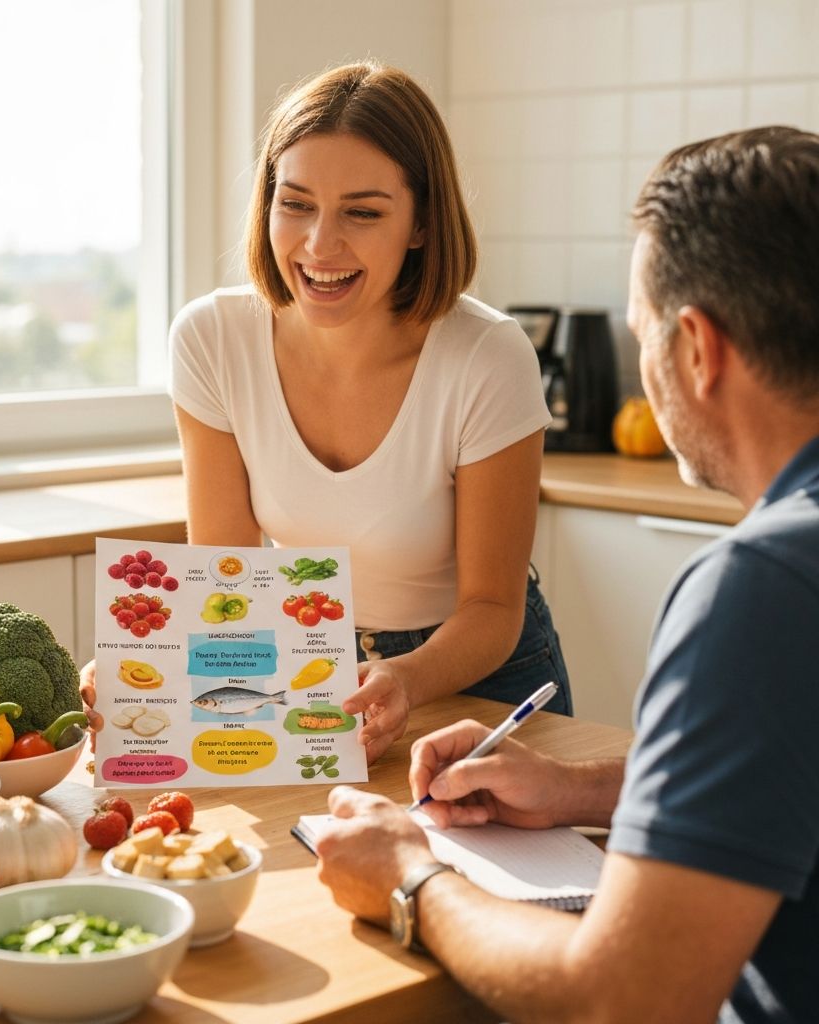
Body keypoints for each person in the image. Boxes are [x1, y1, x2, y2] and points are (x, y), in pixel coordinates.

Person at [314, 124, 819, 1022]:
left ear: (695, 350)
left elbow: (621, 1001)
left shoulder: (764, 587)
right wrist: (577, 792)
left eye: (642, 335)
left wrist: (409, 876)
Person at [167, 60, 571, 765]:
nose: (321, 244)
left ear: (420, 223)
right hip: (316, 668)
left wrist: (406, 677)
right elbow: (228, 576)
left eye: (363, 212)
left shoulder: (486, 356)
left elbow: (492, 609)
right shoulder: (211, 340)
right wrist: (151, 680)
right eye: (295, 204)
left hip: (483, 679)